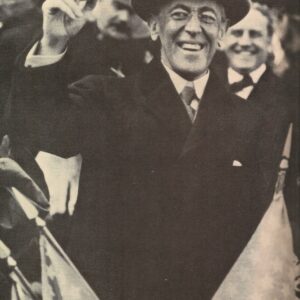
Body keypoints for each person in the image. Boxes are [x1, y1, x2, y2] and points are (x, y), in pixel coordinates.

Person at [9, 0, 287, 298]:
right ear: (154, 27)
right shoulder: (108, 98)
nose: (193, 28)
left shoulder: (252, 121)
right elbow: (41, 128)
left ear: (222, 32)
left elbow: (264, 228)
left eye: (207, 17)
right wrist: (53, 40)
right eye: (179, 14)